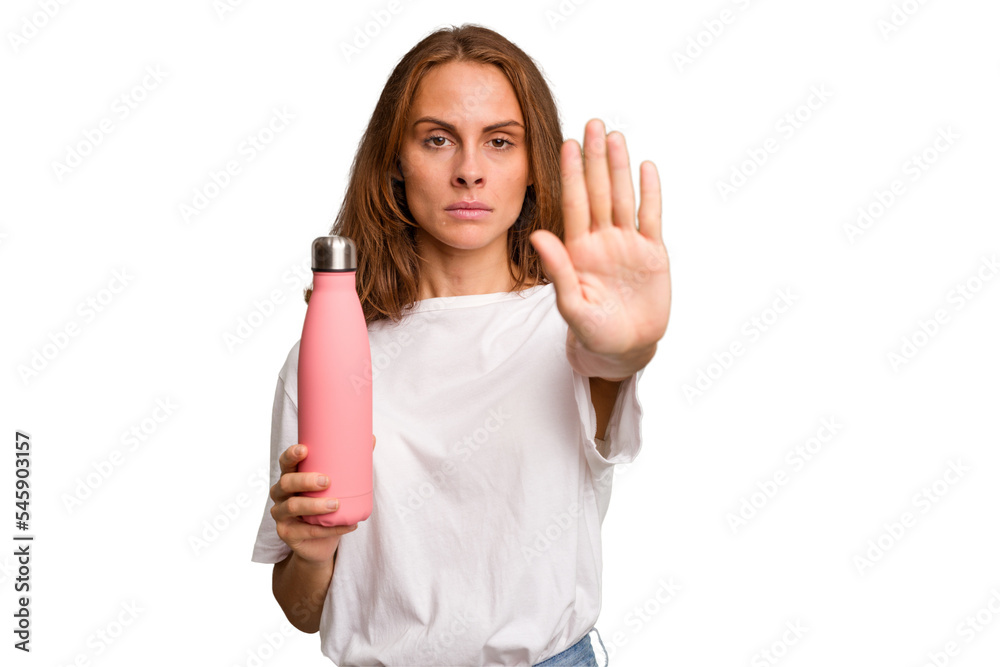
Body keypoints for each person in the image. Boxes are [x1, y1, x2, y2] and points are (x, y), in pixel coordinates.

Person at [250, 23, 671, 666]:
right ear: (396, 159)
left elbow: (608, 366)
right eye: (438, 139)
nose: (469, 171)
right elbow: (304, 611)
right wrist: (309, 550)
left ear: (533, 169)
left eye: (500, 142)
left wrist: (627, 351)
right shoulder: (332, 352)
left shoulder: (571, 329)